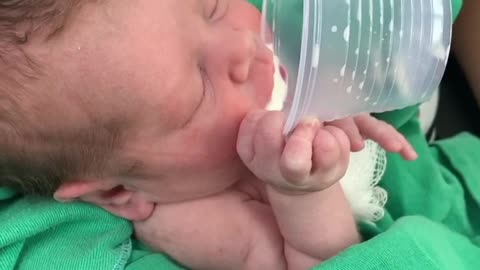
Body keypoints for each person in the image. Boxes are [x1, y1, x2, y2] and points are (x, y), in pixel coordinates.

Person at [2, 0, 479, 270]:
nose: (245, 46)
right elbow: (324, 258)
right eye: (198, 90)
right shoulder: (193, 221)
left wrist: (348, 101)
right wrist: (301, 194)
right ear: (119, 191)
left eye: (211, 7)